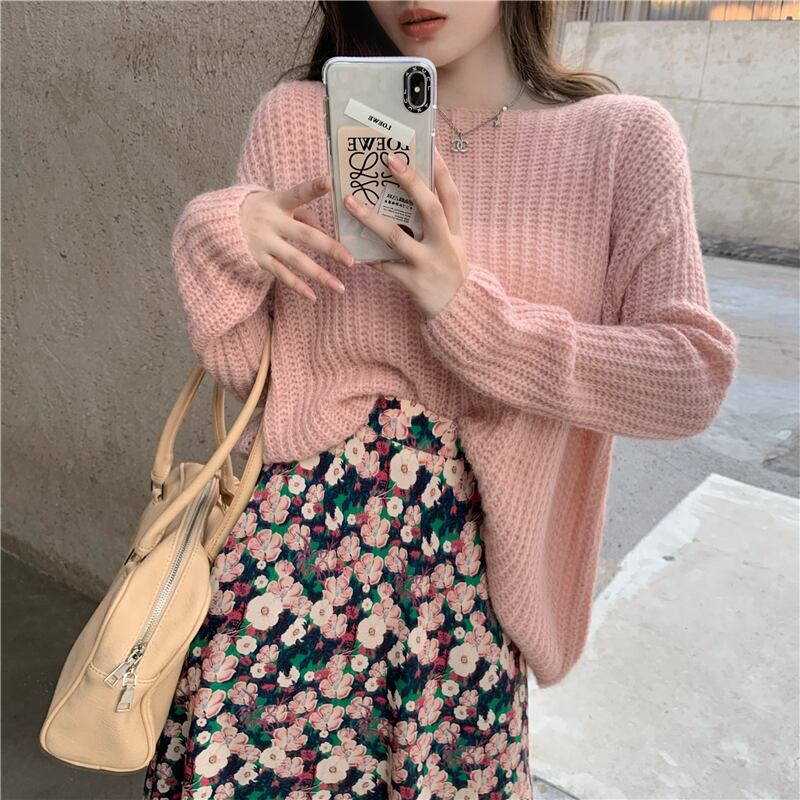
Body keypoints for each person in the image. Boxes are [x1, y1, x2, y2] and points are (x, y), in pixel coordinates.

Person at [143, 1, 738, 798]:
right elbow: (254, 375)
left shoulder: (622, 141)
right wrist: (218, 238)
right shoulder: (298, 119)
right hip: (288, 561)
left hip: (468, 591)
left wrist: (471, 316)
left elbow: (691, 378)